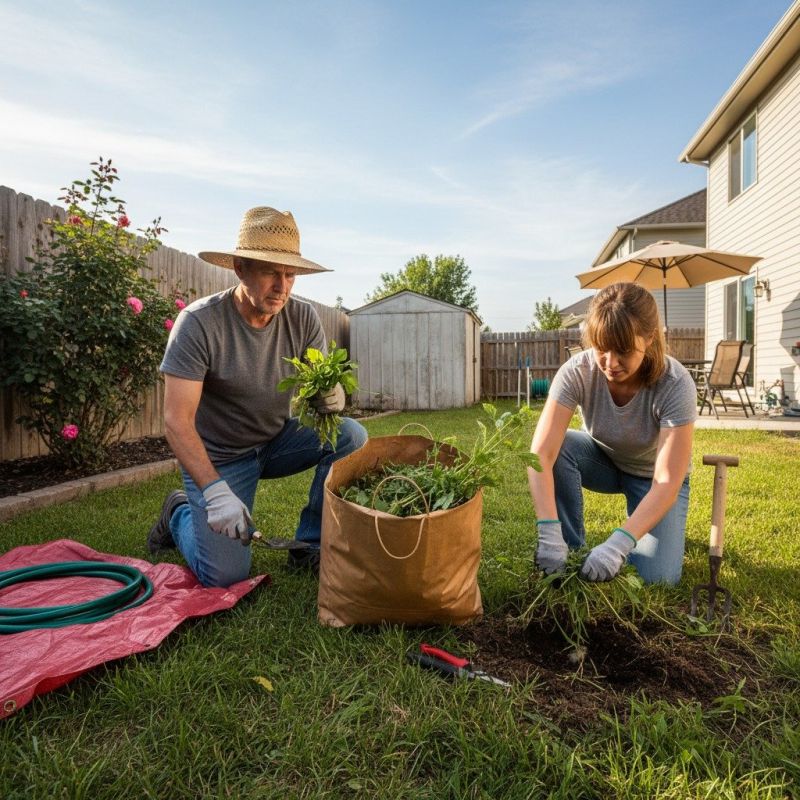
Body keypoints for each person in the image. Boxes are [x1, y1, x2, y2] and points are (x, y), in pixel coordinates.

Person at [147, 206, 368, 587]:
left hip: (275, 441)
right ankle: (179, 512)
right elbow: (176, 422)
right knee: (224, 575)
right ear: (240, 268)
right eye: (270, 271)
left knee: (350, 435)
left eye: (290, 274)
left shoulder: (303, 319)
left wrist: (334, 396)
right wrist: (215, 492)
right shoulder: (199, 324)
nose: (282, 286)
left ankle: (309, 546)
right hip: (221, 457)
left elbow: (318, 386)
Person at [528, 282, 697, 585]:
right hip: (604, 461)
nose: (610, 362)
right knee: (561, 446)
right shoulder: (577, 371)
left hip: (652, 479)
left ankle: (642, 537)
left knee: (658, 578)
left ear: (650, 338)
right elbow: (540, 454)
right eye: (601, 348)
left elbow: (667, 480)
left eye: (623, 351)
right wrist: (547, 529)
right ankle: (567, 547)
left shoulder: (674, 383)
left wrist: (618, 545)